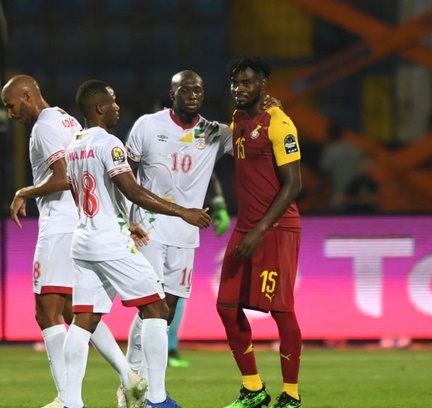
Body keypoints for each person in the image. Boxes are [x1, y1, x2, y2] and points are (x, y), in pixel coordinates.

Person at [64, 79, 211, 408]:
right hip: (108, 242)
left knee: (84, 320)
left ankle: (71, 402)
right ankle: (157, 400)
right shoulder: (109, 143)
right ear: (100, 108)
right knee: (157, 307)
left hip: (83, 239)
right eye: (113, 102)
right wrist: (181, 211)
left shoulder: (74, 145)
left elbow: (86, 193)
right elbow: (134, 191)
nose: (118, 107)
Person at [1, 75, 146, 408]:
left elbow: (63, 178)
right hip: (79, 222)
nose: (10, 114)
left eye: (11, 106)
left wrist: (25, 191)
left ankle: (67, 400)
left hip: (59, 227)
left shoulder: (45, 127)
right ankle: (129, 378)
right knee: (74, 310)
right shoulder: (65, 118)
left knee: (46, 311)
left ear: (26, 96)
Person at [123, 71, 278, 379]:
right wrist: (126, 218)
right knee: (151, 308)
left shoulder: (214, 133)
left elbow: (258, 143)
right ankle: (135, 381)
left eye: (198, 91)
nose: (193, 95)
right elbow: (123, 175)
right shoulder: (148, 126)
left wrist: (269, 113)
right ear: (172, 94)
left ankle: (137, 380)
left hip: (186, 235)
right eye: (186, 90)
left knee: (164, 313)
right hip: (148, 229)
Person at [217, 56, 303, 408]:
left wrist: (260, 230)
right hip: (246, 227)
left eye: (248, 82)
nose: (240, 88)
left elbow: (294, 184)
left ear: (263, 84)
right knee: (226, 306)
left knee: (281, 312)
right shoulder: (238, 119)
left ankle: (292, 395)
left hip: (276, 228)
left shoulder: (280, 123)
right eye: (236, 83)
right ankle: (253, 388)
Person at [319, 120, 362, 213]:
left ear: (329, 134)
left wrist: (319, 196)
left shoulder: (330, 151)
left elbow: (325, 176)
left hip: (337, 199)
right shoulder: (355, 150)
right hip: (357, 199)